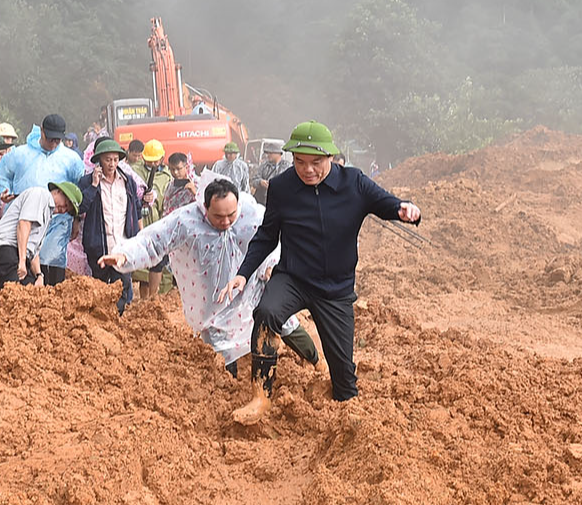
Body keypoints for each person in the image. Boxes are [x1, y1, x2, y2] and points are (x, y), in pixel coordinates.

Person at [218, 120, 422, 425]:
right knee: (267, 311)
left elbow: (386, 203)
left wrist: (404, 209)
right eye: (299, 162)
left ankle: (343, 401)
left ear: (331, 157)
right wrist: (243, 273)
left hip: (335, 290)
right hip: (294, 278)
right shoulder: (283, 187)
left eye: (316, 163)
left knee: (345, 384)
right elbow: (266, 236)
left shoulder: (353, 182)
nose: (307, 170)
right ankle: (260, 396)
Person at [99, 177, 323, 375]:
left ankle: (315, 359)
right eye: (218, 216)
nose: (226, 221)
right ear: (205, 207)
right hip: (214, 297)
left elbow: (277, 237)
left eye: (231, 215)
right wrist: (124, 256)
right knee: (219, 344)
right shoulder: (186, 221)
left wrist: (273, 264)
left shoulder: (252, 213)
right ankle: (228, 389)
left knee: (282, 320)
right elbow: (153, 240)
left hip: (253, 283)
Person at [0, 114, 84, 286]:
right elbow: (3, 174)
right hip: (25, 221)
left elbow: (77, 191)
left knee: (53, 271)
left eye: (58, 140)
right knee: (22, 271)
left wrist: (76, 220)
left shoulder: (71, 159)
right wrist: (4, 191)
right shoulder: (20, 154)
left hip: (57, 224)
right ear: (42, 132)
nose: (54, 144)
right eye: (50, 139)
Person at [77, 139, 142, 314]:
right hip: (99, 246)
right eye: (107, 160)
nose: (112, 164)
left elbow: (137, 207)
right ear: (99, 160)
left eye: (115, 159)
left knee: (122, 286)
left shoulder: (127, 181)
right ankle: (102, 320)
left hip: (122, 245)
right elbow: (80, 207)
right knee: (100, 287)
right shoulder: (86, 181)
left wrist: (139, 234)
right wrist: (93, 186)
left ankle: (116, 318)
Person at [0, 182, 82, 290]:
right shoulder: (40, 195)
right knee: (22, 295)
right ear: (58, 191)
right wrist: (22, 262)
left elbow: (33, 251)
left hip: (8, 255)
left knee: (34, 292)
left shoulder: (47, 214)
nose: (63, 209)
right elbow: (24, 224)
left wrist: (39, 275)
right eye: (65, 204)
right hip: (2, 251)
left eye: (67, 210)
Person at [135, 139, 173, 300]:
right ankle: (145, 301)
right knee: (144, 265)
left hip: (159, 220)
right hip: (141, 220)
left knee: (160, 262)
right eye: (149, 161)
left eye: (156, 161)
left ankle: (157, 299)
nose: (153, 164)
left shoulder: (167, 175)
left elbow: (169, 197)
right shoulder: (135, 171)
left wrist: (156, 198)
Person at [251, 141, 292, 205]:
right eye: (268, 153)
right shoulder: (264, 166)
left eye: (271, 153)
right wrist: (260, 182)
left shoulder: (287, 167)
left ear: (279, 153)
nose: (268, 155)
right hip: (264, 202)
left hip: (282, 202)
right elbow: (253, 181)